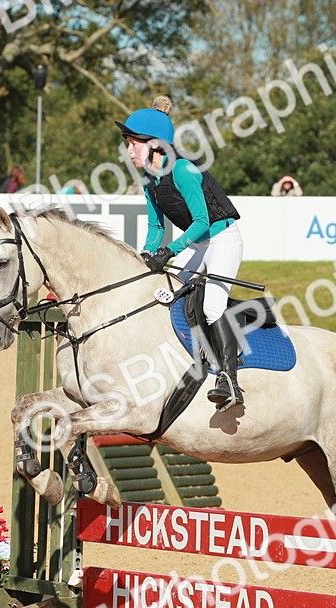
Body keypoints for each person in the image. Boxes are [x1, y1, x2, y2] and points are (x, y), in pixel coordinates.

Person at [116, 95, 246, 411]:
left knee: (213, 307)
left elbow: (202, 221)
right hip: (199, 245)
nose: (128, 149)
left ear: (155, 144)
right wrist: (147, 254)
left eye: (133, 142)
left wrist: (170, 252)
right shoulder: (149, 180)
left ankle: (230, 380)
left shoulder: (184, 170)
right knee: (165, 294)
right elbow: (155, 226)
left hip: (223, 239)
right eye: (128, 142)